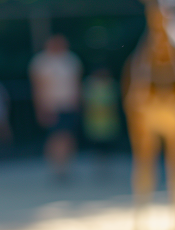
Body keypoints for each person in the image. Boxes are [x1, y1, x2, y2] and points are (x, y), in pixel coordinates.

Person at [29, 35, 82, 179]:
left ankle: (66, 166)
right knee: (56, 136)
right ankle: (56, 167)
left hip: (68, 105)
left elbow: (76, 84)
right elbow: (38, 88)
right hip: (51, 106)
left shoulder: (71, 60)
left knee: (68, 136)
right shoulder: (41, 62)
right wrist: (41, 109)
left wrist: (77, 104)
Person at [82, 67, 120, 174]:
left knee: (107, 146)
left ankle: (106, 166)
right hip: (94, 122)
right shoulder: (89, 85)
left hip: (108, 122)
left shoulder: (111, 84)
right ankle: (98, 166)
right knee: (96, 146)